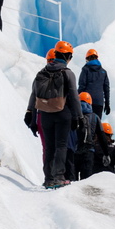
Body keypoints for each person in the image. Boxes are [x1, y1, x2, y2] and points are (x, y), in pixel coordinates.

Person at [24, 41, 81, 189]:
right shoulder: (67, 73)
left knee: (49, 147)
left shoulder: (42, 72)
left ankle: (48, 179)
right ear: (68, 56)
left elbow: (34, 94)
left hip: (45, 115)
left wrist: (30, 112)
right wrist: (78, 116)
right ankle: (59, 177)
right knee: (61, 146)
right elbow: (74, 96)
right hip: (63, 114)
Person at [78, 49, 111, 117]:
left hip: (86, 101)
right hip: (99, 102)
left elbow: (82, 85)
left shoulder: (85, 69)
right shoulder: (103, 72)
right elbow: (106, 89)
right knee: (96, 124)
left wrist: (77, 100)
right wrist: (107, 104)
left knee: (85, 124)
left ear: (87, 59)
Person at [76, 93, 100, 179]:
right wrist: (106, 153)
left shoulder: (74, 115)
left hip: (75, 151)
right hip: (89, 151)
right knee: (86, 180)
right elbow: (101, 136)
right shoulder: (94, 117)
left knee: (72, 181)